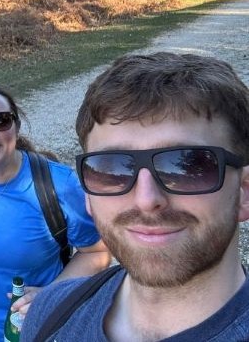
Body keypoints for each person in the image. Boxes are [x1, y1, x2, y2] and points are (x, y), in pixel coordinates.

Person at [22, 52, 249, 341]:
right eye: (111, 169)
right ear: (88, 194)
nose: (146, 200)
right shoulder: (49, 314)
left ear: (244, 191)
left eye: (188, 167)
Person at [0, 84, 110, 341]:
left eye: (0, 120)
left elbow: (97, 252)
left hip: (44, 325)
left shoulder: (59, 185)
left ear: (16, 125)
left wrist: (48, 295)